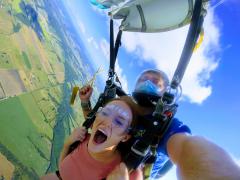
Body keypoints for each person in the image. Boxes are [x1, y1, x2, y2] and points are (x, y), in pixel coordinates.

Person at [78, 69, 191, 179]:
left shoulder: (166, 125)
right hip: (111, 167)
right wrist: (85, 102)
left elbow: (188, 149)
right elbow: (98, 126)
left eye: (155, 82)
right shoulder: (127, 110)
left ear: (165, 93)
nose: (147, 83)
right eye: (143, 79)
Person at [41, 96, 145, 180]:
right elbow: (63, 169)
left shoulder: (121, 172)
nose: (107, 122)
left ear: (125, 137)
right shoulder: (82, 139)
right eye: (105, 113)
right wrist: (67, 144)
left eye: (119, 122)